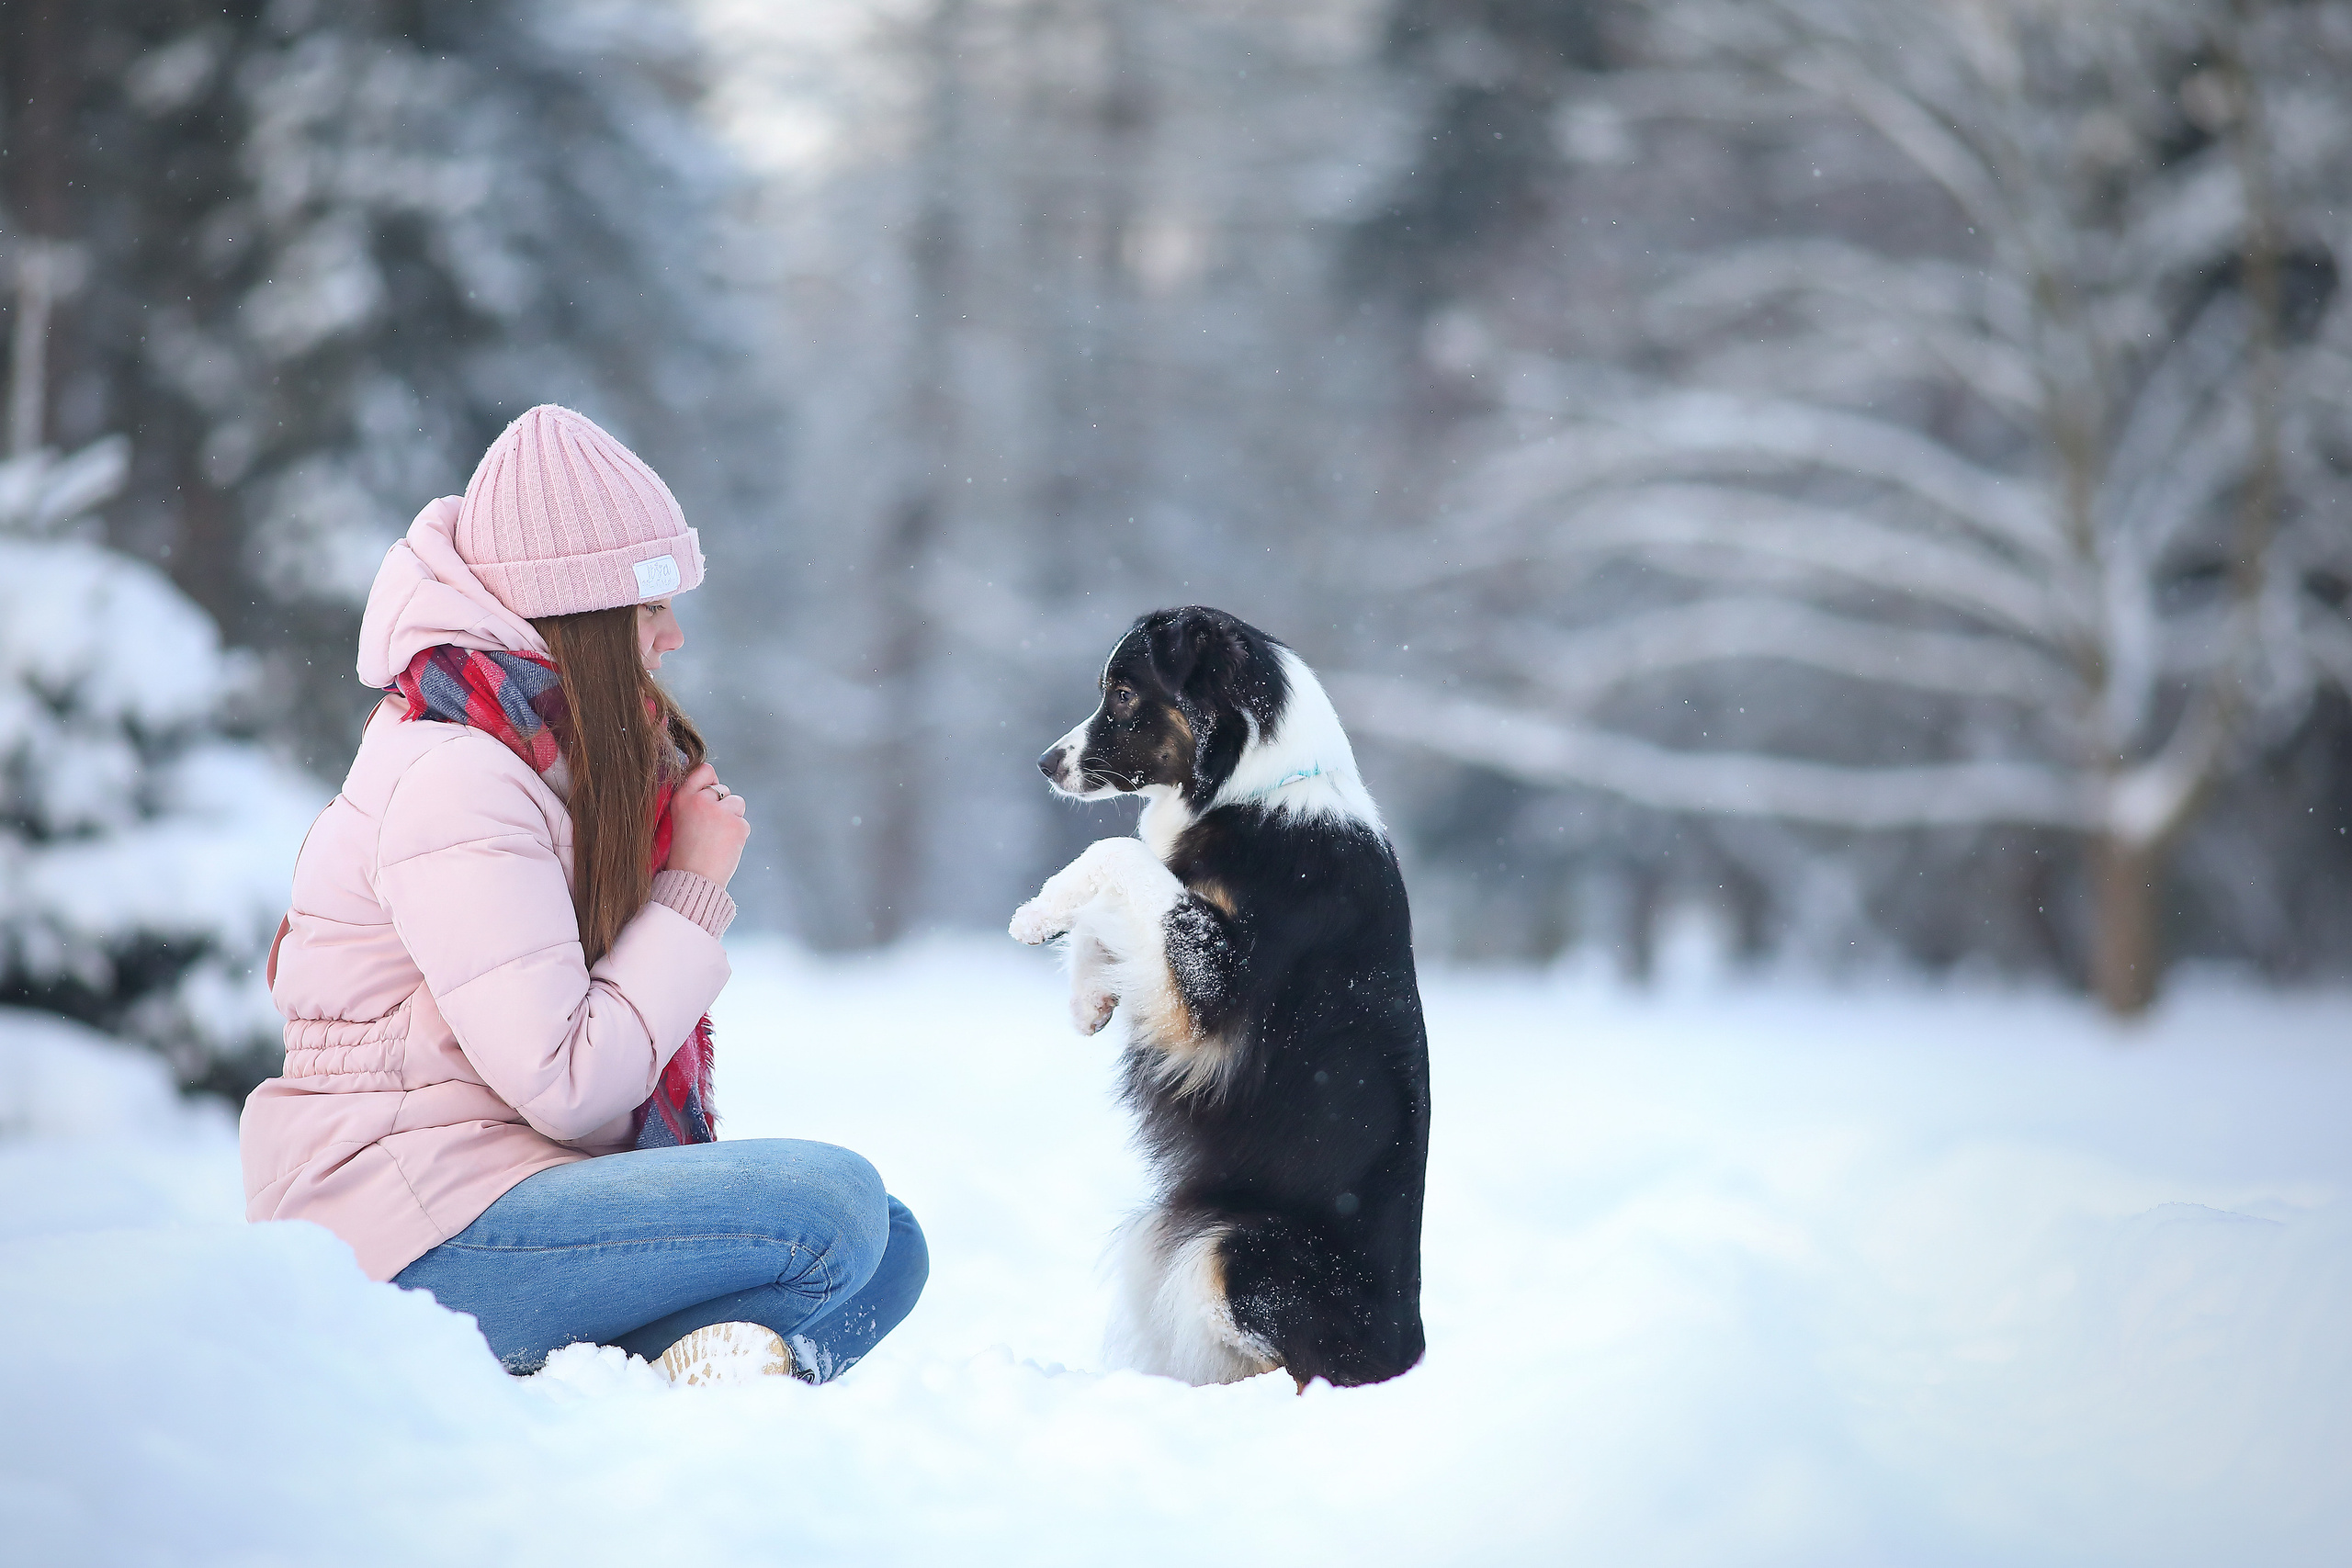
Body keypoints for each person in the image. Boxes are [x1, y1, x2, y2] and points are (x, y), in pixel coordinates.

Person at [241, 405, 925, 1383]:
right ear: (585, 616)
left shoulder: (530, 758)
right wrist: (688, 889)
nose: (674, 637)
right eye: (652, 609)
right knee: (833, 1209)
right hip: (399, 1229)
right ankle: (645, 1376)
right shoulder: (458, 780)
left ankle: (660, 1375)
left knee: (890, 1248)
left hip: (494, 1185)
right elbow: (567, 1085)